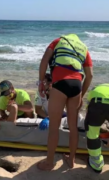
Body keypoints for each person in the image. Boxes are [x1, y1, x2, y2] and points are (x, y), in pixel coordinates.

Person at [37, 33, 93, 170]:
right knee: (73, 127)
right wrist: (81, 95)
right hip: (76, 85)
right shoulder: (84, 48)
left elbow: (44, 61)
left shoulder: (57, 41)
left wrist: (41, 81)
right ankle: (71, 159)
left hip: (60, 82)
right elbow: (90, 75)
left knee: (54, 127)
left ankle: (49, 162)